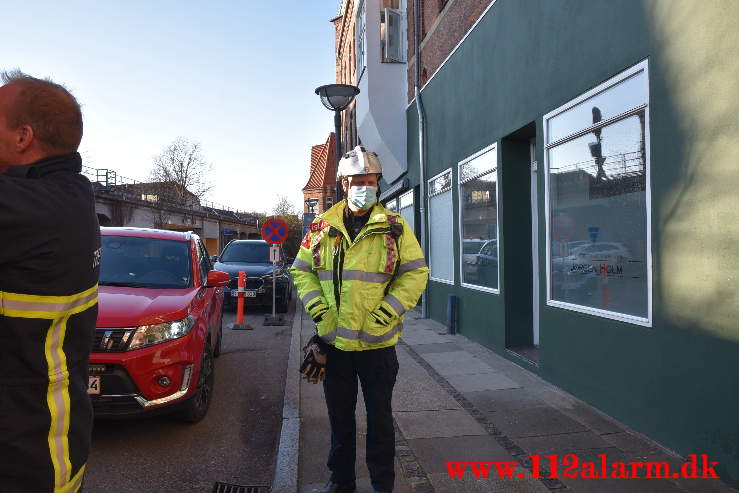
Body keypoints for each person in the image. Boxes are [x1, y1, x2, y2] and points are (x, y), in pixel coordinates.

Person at [291, 146, 429, 493]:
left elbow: (415, 273)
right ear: (343, 183)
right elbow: (301, 271)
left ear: (378, 184)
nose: (363, 187)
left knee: (380, 421)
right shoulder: (322, 227)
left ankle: (383, 485)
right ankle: (341, 482)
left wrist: (388, 311)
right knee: (340, 421)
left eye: (370, 181)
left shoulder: (395, 227)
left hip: (377, 347)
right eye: (357, 182)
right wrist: (320, 313)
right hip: (335, 345)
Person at [0, 70, 100, 493]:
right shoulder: (67, 197)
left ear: (23, 137)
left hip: (24, 463)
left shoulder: (31, 209)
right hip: (44, 449)